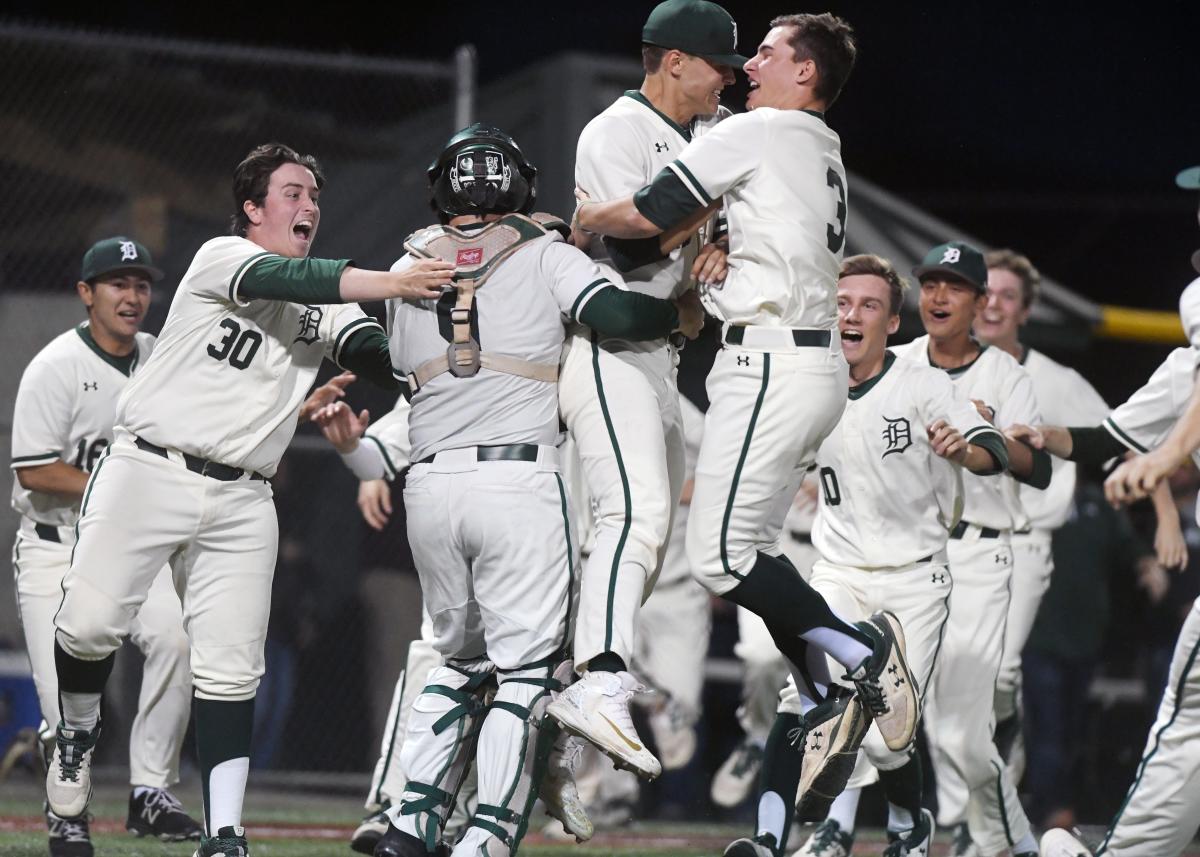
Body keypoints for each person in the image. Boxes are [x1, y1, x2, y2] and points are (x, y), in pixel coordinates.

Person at [44, 143, 457, 857]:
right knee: (85, 628)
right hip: (149, 471)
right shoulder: (222, 258)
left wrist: (436, 325)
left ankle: (226, 830)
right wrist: (393, 280)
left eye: (314, 197)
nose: (309, 206)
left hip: (242, 497)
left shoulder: (319, 300)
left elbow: (372, 351)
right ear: (252, 208)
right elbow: (307, 278)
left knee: (233, 666)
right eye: (291, 193)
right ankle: (76, 735)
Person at [574, 20, 922, 853]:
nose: (748, 67)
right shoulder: (815, 143)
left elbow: (647, 215)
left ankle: (861, 656)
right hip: (798, 362)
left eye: (766, 52)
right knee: (767, 586)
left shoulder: (757, 128)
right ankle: (800, 754)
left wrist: (587, 214)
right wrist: (720, 242)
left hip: (771, 363)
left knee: (721, 558)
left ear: (804, 71)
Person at [339, 123, 701, 857]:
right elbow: (619, 315)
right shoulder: (545, 254)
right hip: (515, 479)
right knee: (524, 671)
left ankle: (411, 823)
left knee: (456, 660)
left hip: (431, 486)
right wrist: (681, 311)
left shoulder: (407, 264)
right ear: (519, 187)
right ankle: (490, 836)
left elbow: (396, 369)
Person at [549, 0, 738, 779]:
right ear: (671, 61)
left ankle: (561, 685)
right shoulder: (615, 131)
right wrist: (712, 206)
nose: (726, 77)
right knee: (637, 514)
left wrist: (718, 234)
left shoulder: (700, 136)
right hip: (608, 350)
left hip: (661, 355)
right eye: (716, 64)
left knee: (647, 547)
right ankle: (596, 680)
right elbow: (621, 241)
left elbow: (675, 240)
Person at [771, 254, 1007, 857]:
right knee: (807, 706)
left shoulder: (920, 382)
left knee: (885, 741)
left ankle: (909, 822)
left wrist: (967, 447)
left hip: (915, 582)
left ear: (891, 324)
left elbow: (986, 447)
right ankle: (780, 837)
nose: (851, 315)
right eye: (842, 303)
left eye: (869, 305)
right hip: (838, 574)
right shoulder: (807, 384)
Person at [1018, 164, 1200, 857]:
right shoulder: (1183, 369)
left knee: (1188, 721)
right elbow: (1112, 434)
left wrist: (1164, 458)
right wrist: (1041, 437)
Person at [11, 237, 202, 855]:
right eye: (118, 284)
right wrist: (117, 482)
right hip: (55, 546)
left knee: (176, 639)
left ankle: (150, 790)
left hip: (127, 546)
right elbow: (35, 471)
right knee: (65, 708)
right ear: (86, 294)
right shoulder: (55, 366)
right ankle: (68, 813)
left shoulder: (159, 356)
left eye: (142, 284)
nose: (132, 296)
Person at [889, 241, 1050, 857]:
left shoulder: (1007, 376)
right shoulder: (897, 363)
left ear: (981, 303)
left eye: (954, 286)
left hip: (981, 557)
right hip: (909, 556)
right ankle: (848, 829)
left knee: (960, 736)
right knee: (885, 716)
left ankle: (1010, 841)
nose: (938, 296)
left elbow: (1036, 469)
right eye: (931, 283)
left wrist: (981, 435)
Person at [972, 249, 1136, 779]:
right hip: (942, 543)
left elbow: (1126, 443)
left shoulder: (1055, 380)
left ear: (1026, 311)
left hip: (1022, 543)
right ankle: (966, 802)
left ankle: (1004, 739)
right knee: (940, 683)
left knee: (999, 675)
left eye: (1008, 297)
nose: (994, 304)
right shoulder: (933, 365)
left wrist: (1155, 497)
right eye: (987, 293)